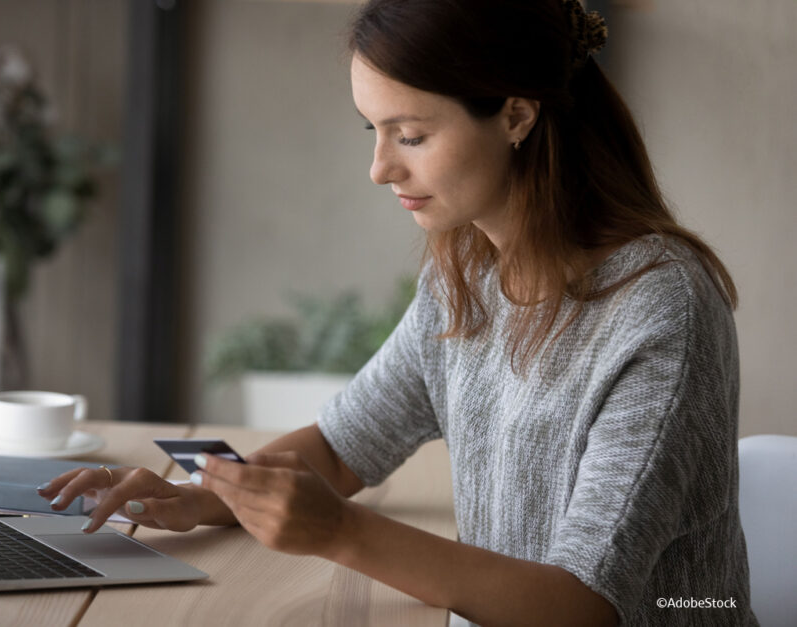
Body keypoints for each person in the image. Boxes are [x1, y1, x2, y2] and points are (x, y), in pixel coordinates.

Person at [39, 1, 756, 624]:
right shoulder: (467, 273)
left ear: (516, 114)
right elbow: (341, 447)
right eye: (372, 131)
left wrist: (342, 533)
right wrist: (200, 494)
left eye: (409, 135)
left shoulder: (661, 310)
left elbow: (582, 604)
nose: (381, 168)